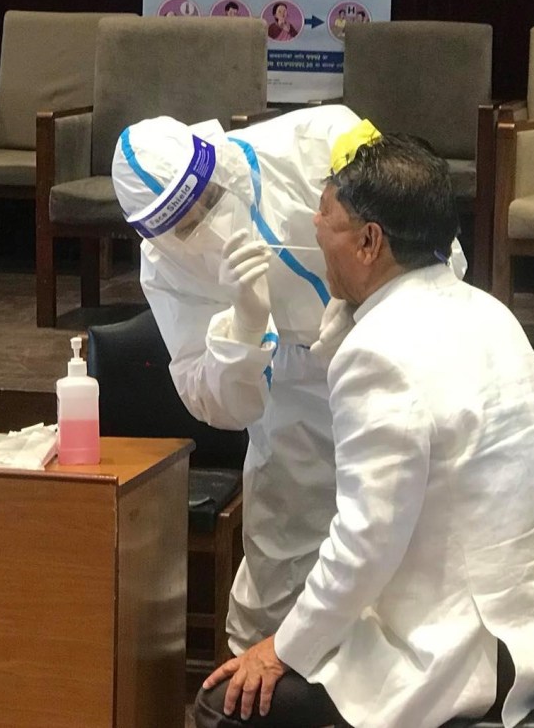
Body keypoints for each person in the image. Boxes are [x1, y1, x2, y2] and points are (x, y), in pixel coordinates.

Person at [196, 135, 534, 727]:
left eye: (327, 214)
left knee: (224, 704)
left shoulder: (380, 352)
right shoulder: (487, 311)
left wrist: (280, 649)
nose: (313, 226)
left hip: (462, 652)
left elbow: (363, 545)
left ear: (370, 241)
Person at [112, 111, 468, 666]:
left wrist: (374, 319)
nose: (207, 225)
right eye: (184, 225)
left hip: (395, 360)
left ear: (215, 162)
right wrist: (244, 328)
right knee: (281, 580)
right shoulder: (166, 269)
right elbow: (212, 400)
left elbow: (425, 237)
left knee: (407, 550)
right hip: (291, 400)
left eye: (209, 200)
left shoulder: (319, 139)